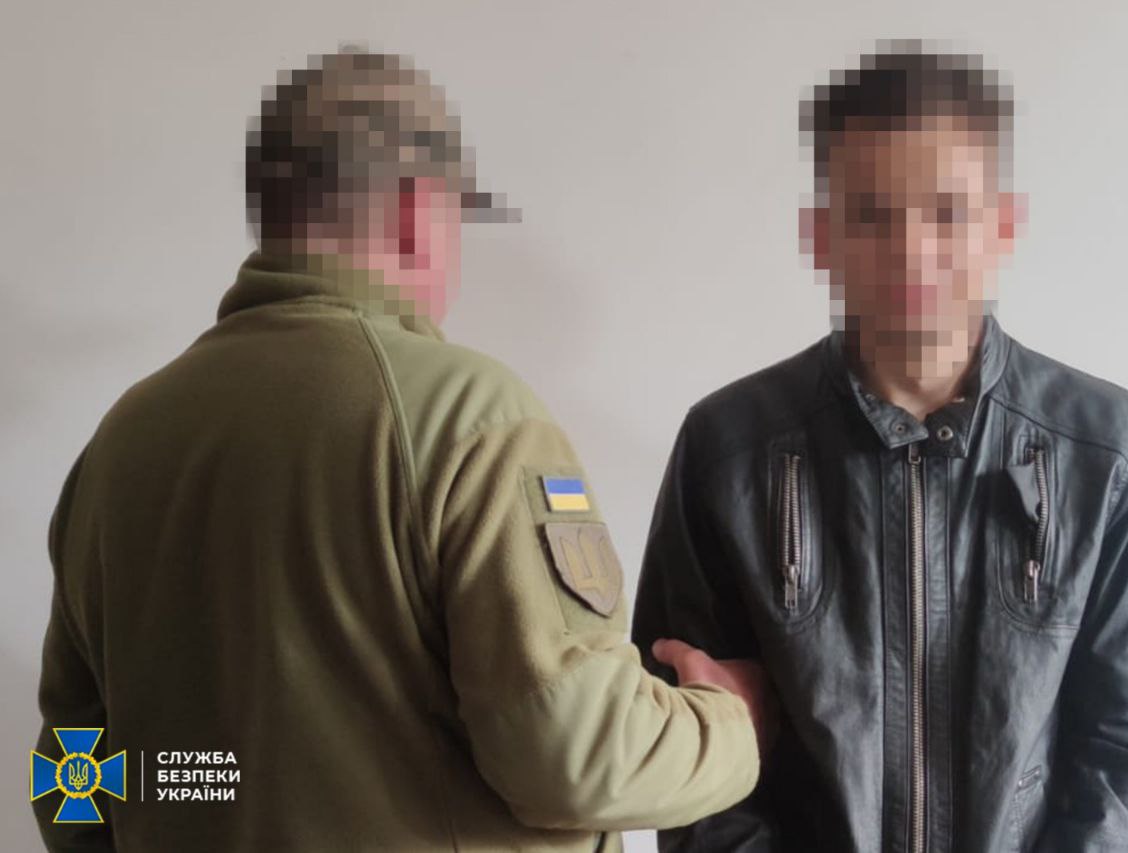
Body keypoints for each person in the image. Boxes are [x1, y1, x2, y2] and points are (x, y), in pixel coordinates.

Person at [31, 47, 770, 852]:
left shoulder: (119, 444)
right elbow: (576, 756)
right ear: (420, 211)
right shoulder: (470, 416)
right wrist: (732, 721)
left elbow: (74, 779)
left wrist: (206, 791)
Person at [633, 44, 1128, 852]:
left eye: (947, 211)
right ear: (820, 236)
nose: (912, 248)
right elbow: (686, 751)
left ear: (1003, 226)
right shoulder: (728, 449)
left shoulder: (1106, 450)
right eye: (871, 213)